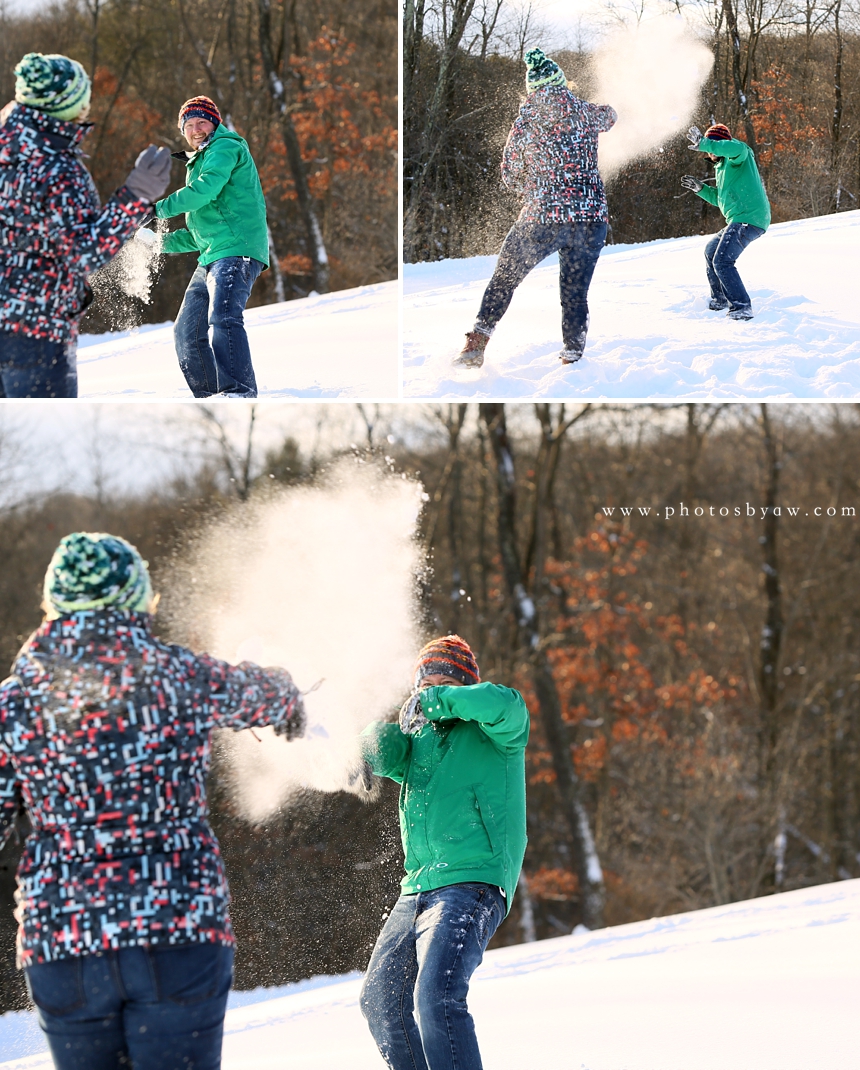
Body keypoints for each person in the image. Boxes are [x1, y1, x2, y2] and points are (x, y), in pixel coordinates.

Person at [0, 532, 305, 1070]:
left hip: (67, 944)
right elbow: (265, 694)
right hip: (176, 931)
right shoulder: (178, 675)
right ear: (138, 598)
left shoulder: (16, 701)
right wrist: (287, 696)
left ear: (54, 602)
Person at [358, 635, 529, 1070]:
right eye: (422, 684)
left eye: (440, 680)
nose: (427, 691)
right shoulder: (420, 744)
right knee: (380, 1001)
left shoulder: (496, 730)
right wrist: (356, 749)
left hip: (473, 880)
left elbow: (503, 704)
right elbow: (387, 746)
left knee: (436, 996)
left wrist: (438, 701)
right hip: (417, 889)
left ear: (461, 683)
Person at [0, 53, 172, 397]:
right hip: (34, 331)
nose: (87, 108)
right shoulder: (57, 168)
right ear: (65, 106)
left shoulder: (8, 149)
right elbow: (83, 252)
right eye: (83, 100)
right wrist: (136, 196)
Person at [456, 49, 616, 369]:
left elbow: (510, 174)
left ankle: (477, 342)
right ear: (560, 82)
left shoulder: (526, 119)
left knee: (505, 277)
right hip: (590, 219)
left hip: (543, 216)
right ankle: (573, 358)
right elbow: (610, 116)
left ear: (532, 89)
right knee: (574, 294)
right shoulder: (587, 112)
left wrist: (534, 190)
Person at [149, 96, 269, 398]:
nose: (195, 129)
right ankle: (211, 397)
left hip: (236, 251)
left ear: (214, 122)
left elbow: (204, 190)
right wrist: (156, 243)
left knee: (224, 316)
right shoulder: (200, 160)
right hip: (212, 256)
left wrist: (157, 209)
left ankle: (239, 392)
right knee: (186, 333)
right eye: (188, 125)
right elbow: (198, 234)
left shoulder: (225, 147)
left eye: (201, 121)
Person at [680, 122, 771, 321]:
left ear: (720, 143)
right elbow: (720, 199)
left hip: (749, 218)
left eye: (713, 145)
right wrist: (700, 189)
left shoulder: (738, 155)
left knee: (722, 261)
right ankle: (720, 299)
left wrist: (705, 142)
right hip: (739, 219)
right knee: (711, 251)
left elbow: (734, 147)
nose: (709, 151)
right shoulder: (721, 168)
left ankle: (742, 307)